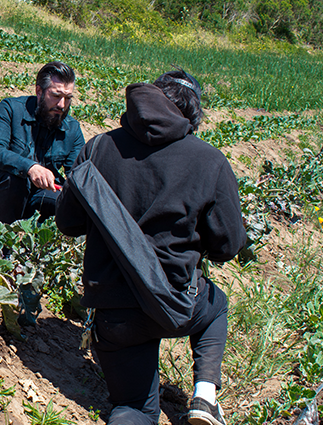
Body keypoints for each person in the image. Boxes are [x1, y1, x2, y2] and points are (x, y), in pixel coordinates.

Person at [54, 70, 246, 425]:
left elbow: (68, 223)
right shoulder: (209, 160)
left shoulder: (98, 147)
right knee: (216, 305)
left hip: (114, 313)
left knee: (135, 409)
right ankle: (205, 397)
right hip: (176, 304)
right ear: (193, 116)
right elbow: (228, 246)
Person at [0, 61, 86, 224]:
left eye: (68, 98)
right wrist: (30, 168)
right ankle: (3, 242)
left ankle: (45, 245)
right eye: (56, 96)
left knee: (72, 203)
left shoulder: (72, 129)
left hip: (38, 197)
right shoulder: (11, 109)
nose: (62, 105)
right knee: (16, 179)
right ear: (39, 91)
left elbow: (77, 174)